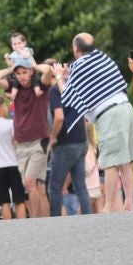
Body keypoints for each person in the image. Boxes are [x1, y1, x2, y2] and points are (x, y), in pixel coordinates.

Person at [59, 34, 133, 212]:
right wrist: (69, 76)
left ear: (76, 49)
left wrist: (60, 77)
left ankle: (110, 206)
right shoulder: (103, 59)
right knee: (125, 161)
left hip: (109, 115)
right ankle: (129, 204)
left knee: (110, 162)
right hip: (125, 108)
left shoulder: (79, 66)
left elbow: (67, 97)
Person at [0, 55, 54, 219]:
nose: (22, 76)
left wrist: (33, 64)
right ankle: (39, 219)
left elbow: (48, 70)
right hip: (21, 144)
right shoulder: (13, 87)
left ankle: (36, 222)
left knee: (31, 182)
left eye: (25, 72)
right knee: (30, 185)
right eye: (19, 74)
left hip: (39, 141)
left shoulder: (40, 86)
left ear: (31, 72)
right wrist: (11, 68)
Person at [47, 62, 91, 217]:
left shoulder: (54, 91)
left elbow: (59, 117)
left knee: (55, 187)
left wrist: (53, 138)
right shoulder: (74, 88)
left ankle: (56, 221)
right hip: (81, 140)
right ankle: (88, 217)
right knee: (81, 187)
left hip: (65, 143)